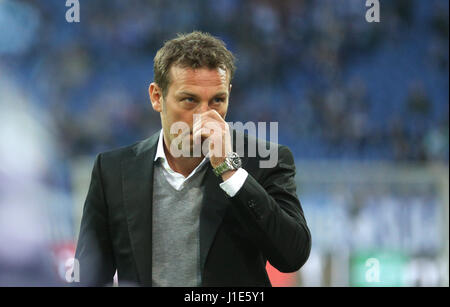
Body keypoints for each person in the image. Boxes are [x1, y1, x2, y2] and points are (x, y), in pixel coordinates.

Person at [74, 31, 311, 286]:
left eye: (217, 100)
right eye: (189, 100)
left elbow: (292, 256)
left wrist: (229, 170)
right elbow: (88, 277)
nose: (204, 116)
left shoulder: (265, 160)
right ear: (156, 97)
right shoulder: (113, 171)